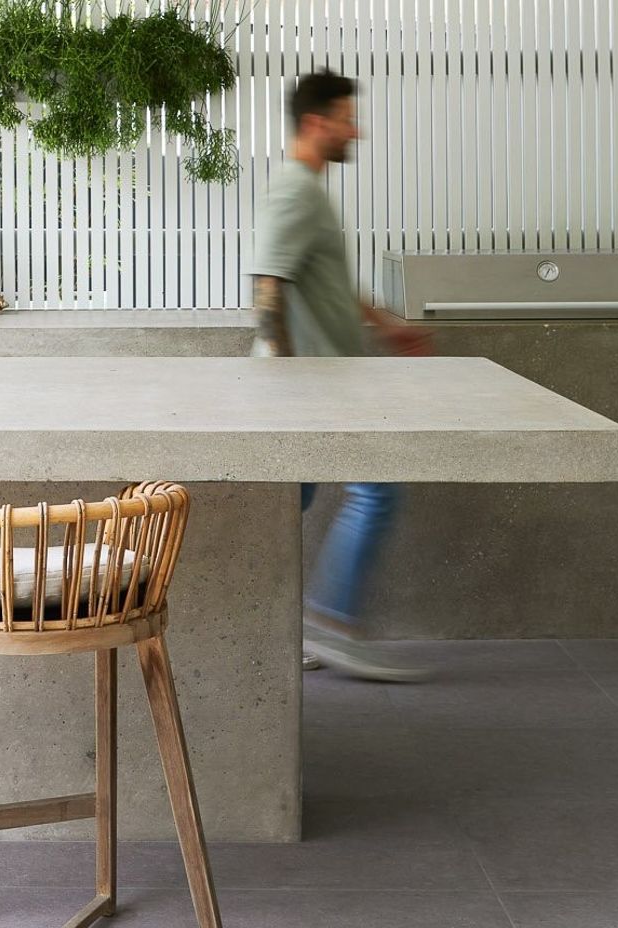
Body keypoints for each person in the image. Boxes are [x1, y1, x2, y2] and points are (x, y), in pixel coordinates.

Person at [248, 69, 432, 683]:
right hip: (315, 389)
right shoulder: (296, 190)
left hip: (321, 383)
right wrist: (284, 377)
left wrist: (385, 324)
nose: (358, 129)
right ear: (317, 122)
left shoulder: (309, 191)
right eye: (348, 118)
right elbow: (268, 282)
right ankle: (330, 623)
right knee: (378, 490)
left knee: (288, 506)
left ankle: (279, 631)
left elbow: (324, 282)